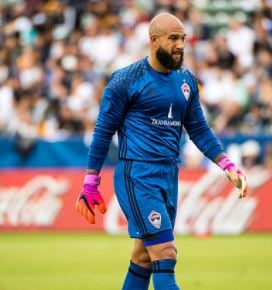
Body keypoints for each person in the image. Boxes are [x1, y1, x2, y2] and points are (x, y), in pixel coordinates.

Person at [75, 12, 248, 290]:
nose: (180, 45)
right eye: (173, 38)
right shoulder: (126, 80)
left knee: (143, 257)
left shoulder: (187, 81)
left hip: (168, 174)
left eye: (183, 39)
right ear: (154, 40)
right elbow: (103, 132)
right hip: (138, 174)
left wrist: (226, 164)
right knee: (166, 253)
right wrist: (90, 181)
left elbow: (199, 129)